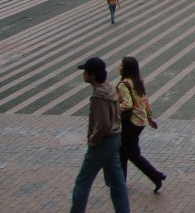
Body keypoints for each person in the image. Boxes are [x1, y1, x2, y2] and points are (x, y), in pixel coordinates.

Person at [70, 57, 130, 213]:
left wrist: (92, 140)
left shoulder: (99, 96)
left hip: (103, 143)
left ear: (92, 75)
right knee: (117, 183)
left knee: (82, 182)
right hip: (115, 140)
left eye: (85, 72)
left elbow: (102, 124)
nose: (83, 74)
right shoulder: (109, 88)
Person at [116, 56, 166, 193]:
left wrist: (114, 109)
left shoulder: (123, 84)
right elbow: (145, 101)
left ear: (126, 68)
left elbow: (127, 104)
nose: (118, 67)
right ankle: (120, 181)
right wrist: (150, 117)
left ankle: (156, 176)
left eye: (121, 65)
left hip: (131, 121)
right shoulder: (137, 82)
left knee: (132, 154)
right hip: (140, 121)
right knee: (122, 151)